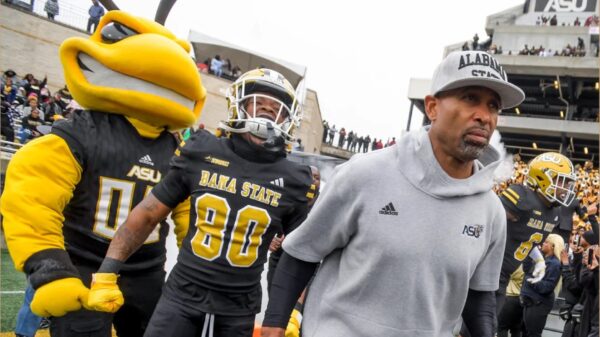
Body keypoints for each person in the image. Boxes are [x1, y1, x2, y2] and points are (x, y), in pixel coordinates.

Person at [261, 50, 525, 337]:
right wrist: (273, 325)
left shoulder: (491, 212)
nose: (484, 116)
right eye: (470, 98)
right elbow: (301, 254)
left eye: (493, 106)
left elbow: (479, 298)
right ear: (432, 107)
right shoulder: (364, 174)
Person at [0, 10, 206, 337]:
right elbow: (33, 203)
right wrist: (51, 269)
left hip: (146, 273)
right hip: (78, 267)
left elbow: (193, 219)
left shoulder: (177, 149)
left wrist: (205, 267)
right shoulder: (80, 134)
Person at [85, 68, 315, 337]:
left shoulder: (296, 179)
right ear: (238, 106)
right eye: (258, 103)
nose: (266, 112)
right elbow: (149, 213)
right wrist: (107, 271)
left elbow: (296, 255)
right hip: (181, 296)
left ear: (289, 119)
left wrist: (286, 314)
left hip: (238, 307)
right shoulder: (202, 151)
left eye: (276, 108)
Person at [497, 152, 577, 312]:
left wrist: (539, 259)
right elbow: (486, 218)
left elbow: (528, 239)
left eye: (568, 183)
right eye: (562, 181)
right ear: (543, 177)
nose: (566, 188)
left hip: (502, 277)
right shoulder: (522, 196)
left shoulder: (554, 212)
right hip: (487, 270)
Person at [520, 234, 563, 337]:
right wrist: (531, 253)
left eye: (546, 242)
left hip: (538, 303)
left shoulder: (554, 264)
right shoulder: (541, 259)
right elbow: (526, 269)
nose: (543, 243)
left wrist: (530, 278)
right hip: (531, 301)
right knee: (526, 332)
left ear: (553, 246)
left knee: (533, 334)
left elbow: (546, 287)